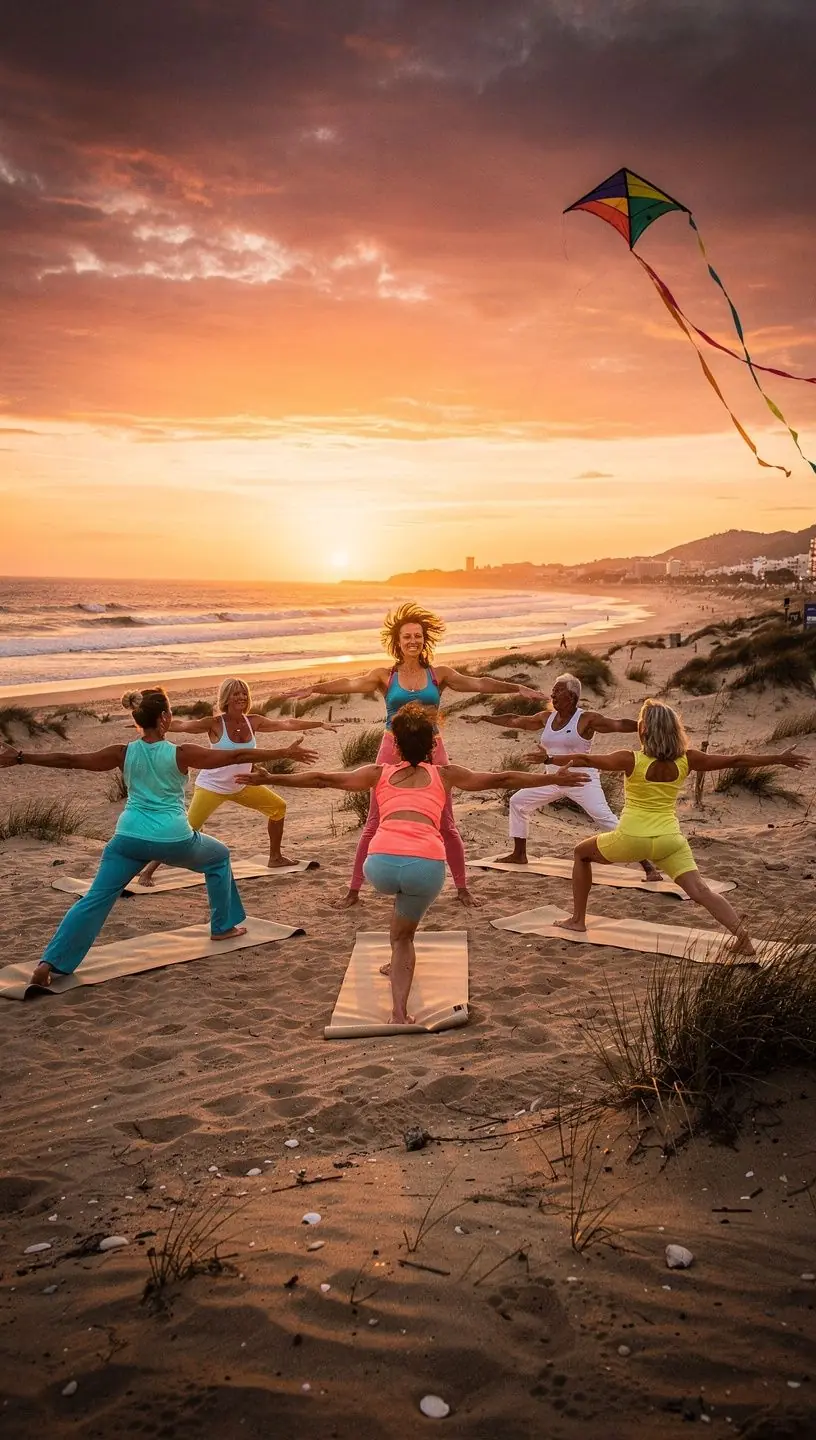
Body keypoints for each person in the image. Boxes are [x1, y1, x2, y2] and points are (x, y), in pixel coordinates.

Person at [238, 703, 588, 1024]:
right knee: (405, 936)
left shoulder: (378, 772)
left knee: (398, 924)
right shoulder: (446, 774)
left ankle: (396, 960)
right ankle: (399, 1013)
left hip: (379, 867)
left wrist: (271, 778)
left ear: (397, 746)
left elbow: (323, 779)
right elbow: (503, 779)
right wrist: (553, 778)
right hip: (425, 867)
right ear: (433, 745)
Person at [0, 688, 318, 989]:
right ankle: (223, 928)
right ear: (165, 718)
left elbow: (70, 760)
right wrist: (283, 751)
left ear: (138, 720)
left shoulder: (121, 753)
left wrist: (21, 757)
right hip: (175, 839)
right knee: (219, 857)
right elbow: (235, 757)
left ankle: (48, 964)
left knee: (95, 899)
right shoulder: (181, 753)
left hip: (127, 839)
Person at [281, 602, 545, 908]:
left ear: (424, 639)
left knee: (446, 822)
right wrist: (313, 689)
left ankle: (462, 888)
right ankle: (353, 891)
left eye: (417, 636)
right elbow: (349, 684)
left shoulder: (439, 674)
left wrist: (516, 688)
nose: (412, 641)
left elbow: (479, 683)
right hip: (391, 746)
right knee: (374, 821)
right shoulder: (385, 675)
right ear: (398, 641)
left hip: (434, 747)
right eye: (406, 637)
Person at [552, 698, 809, 956]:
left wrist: (550, 758)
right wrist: (777, 758)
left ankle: (578, 920)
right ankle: (744, 939)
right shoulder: (689, 759)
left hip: (631, 838)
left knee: (580, 853)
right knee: (701, 890)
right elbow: (736, 760)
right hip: (670, 841)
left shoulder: (630, 759)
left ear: (644, 729)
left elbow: (586, 759)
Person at [137, 677, 336, 886]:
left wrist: (320, 723)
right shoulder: (214, 723)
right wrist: (145, 722)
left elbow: (286, 723)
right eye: (235, 693)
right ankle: (147, 871)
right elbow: (181, 725)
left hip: (242, 784)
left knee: (278, 808)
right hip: (212, 787)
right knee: (187, 828)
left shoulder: (254, 721)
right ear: (226, 697)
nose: (241, 697)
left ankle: (275, 858)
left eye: (243, 693)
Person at [465, 672, 660, 881]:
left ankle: (649, 867)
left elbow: (618, 724)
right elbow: (517, 720)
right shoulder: (546, 717)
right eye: (553, 691)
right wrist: (485, 718)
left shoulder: (586, 719)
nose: (553, 694)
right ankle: (519, 854)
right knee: (518, 802)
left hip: (581, 779)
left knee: (606, 820)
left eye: (558, 691)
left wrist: (645, 726)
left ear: (572, 696)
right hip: (552, 779)